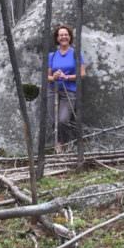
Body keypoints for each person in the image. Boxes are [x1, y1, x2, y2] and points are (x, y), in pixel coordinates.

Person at [48, 24, 86, 153]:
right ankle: (59, 146)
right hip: (53, 91)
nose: (63, 37)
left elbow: (82, 74)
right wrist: (54, 77)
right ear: (57, 38)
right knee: (54, 121)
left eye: (66, 34)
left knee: (63, 120)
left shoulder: (76, 53)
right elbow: (47, 77)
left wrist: (66, 76)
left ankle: (67, 143)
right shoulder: (52, 56)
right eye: (61, 35)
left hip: (69, 91)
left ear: (70, 37)